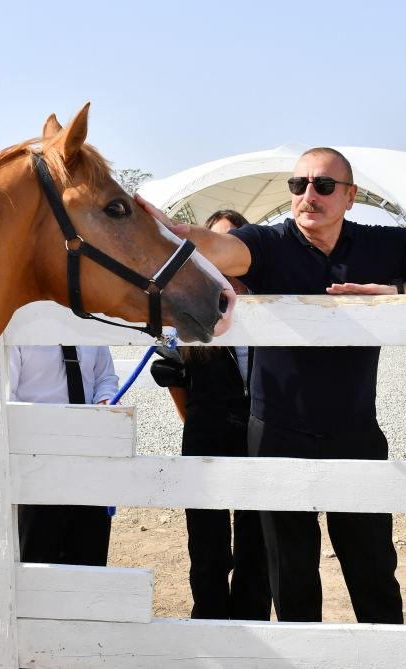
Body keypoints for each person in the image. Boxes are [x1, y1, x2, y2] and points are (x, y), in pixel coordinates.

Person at [136, 147, 406, 623]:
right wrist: (172, 231)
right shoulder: (267, 244)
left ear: (350, 197)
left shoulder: (384, 245)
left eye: (324, 186)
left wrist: (398, 294)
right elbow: (218, 248)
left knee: (374, 577)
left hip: (355, 435)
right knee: (291, 584)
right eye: (299, 185)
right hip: (276, 436)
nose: (309, 194)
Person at [150, 210, 272, 621]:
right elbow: (178, 384)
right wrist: (197, 426)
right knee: (207, 548)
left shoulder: (270, 308)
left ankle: (253, 636)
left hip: (259, 439)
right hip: (207, 437)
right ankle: (210, 631)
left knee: (257, 547)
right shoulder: (190, 310)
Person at [9, 344, 118, 566]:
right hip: (38, 465)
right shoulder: (20, 329)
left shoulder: (91, 321)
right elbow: (7, 395)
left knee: (89, 559)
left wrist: (105, 400)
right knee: (37, 560)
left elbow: (105, 377)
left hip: (89, 460)